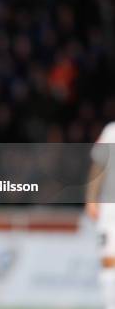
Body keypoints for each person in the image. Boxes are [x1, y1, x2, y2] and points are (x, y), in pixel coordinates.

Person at [86, 122, 115, 309]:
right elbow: (98, 166)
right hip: (110, 207)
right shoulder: (111, 131)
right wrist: (91, 198)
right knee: (108, 260)